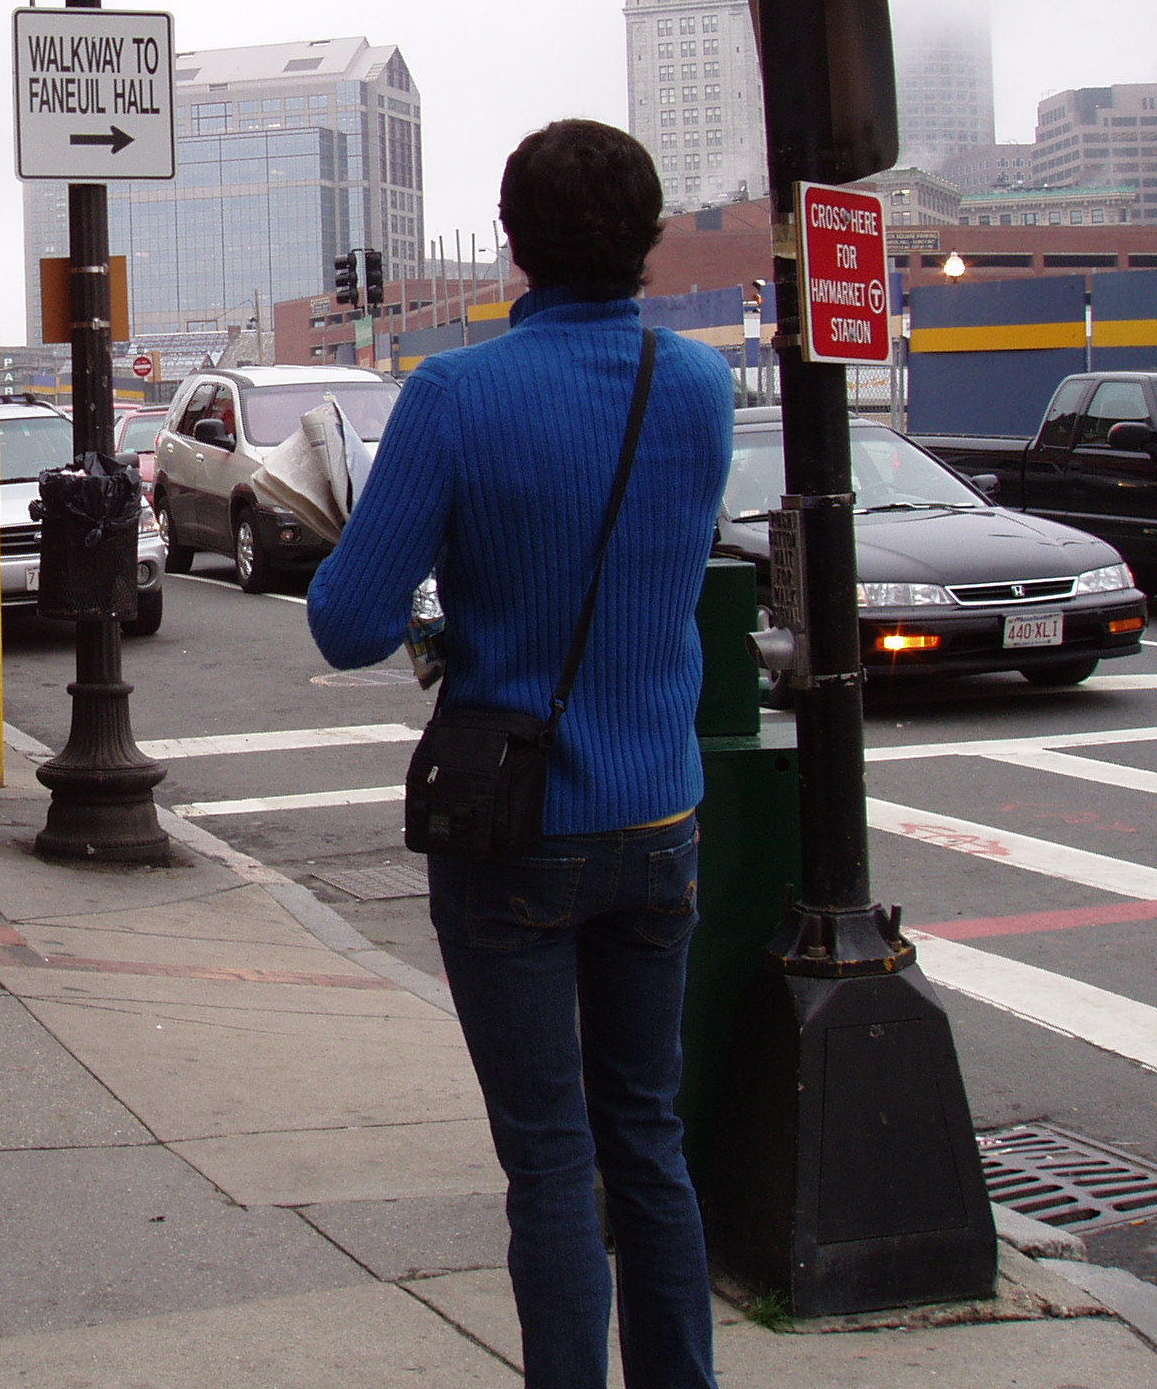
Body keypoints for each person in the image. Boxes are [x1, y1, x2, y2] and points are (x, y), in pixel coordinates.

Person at [308, 120, 732, 1389]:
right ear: (648, 240)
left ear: (511, 243)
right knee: (646, 1139)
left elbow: (345, 624)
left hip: (517, 832)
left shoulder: (453, 395)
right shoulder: (697, 386)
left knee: (551, 1159)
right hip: (659, 819)